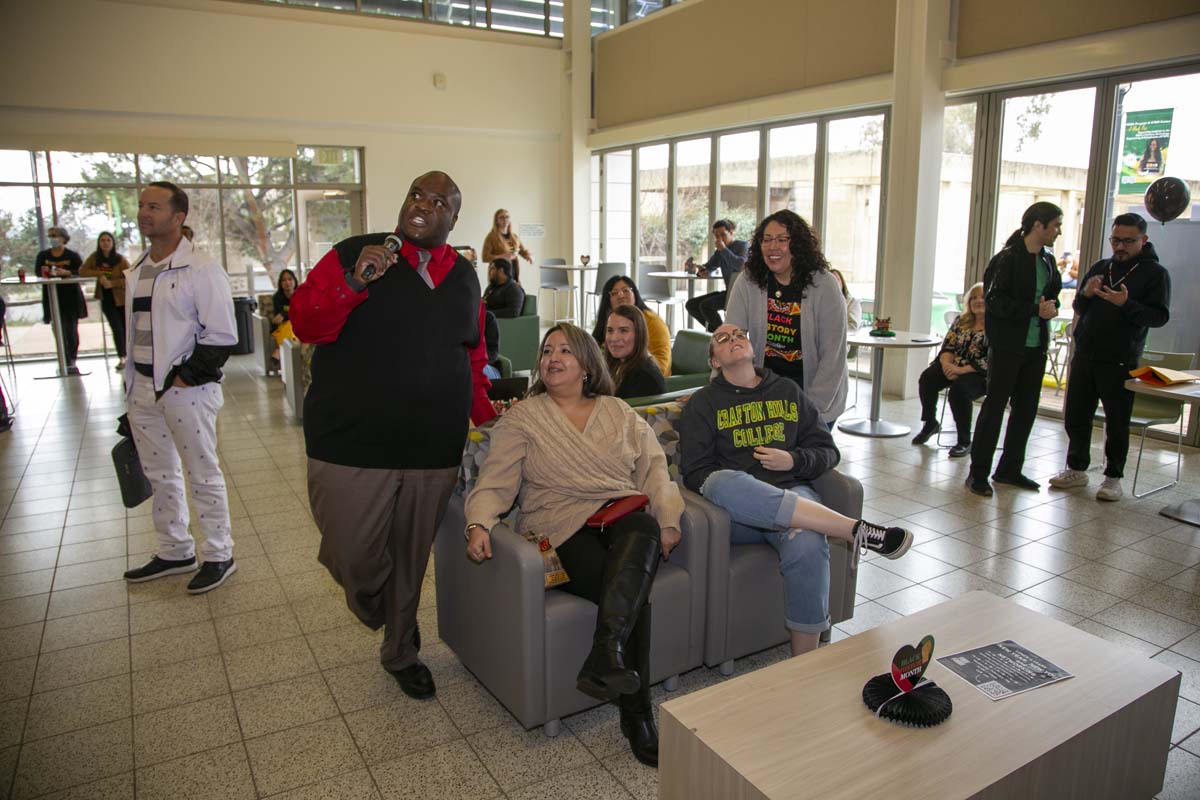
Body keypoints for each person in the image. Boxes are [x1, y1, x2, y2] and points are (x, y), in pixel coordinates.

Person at [291, 171, 497, 700]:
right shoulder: (355, 253)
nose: (423, 205)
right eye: (415, 195)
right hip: (351, 442)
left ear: (454, 218)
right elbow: (306, 324)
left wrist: (486, 416)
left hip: (433, 445)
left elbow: (472, 355)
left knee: (411, 555)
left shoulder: (466, 277)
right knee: (352, 555)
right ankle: (388, 612)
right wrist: (355, 282)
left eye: (439, 201)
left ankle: (401, 647)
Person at [464, 323, 683, 767]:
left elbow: (655, 471)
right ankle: (636, 714)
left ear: (587, 364)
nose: (553, 357)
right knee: (632, 596)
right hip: (557, 529)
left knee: (642, 526)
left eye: (565, 349)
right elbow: (495, 482)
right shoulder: (523, 418)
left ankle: (606, 656)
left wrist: (669, 518)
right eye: (547, 351)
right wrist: (478, 523)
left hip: (620, 516)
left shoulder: (619, 412)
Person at [679, 323, 911, 656]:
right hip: (738, 515)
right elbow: (695, 473)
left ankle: (806, 664)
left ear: (753, 349)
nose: (733, 340)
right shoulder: (703, 404)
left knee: (808, 542)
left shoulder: (787, 391)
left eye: (740, 335)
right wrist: (746, 482)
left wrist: (793, 460)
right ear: (714, 361)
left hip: (795, 498)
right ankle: (853, 530)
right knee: (721, 480)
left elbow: (828, 452)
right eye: (722, 339)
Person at [122, 182, 239, 594]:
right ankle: (174, 549)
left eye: (153, 206)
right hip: (141, 388)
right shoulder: (136, 270)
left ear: (178, 216)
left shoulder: (201, 269)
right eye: (140, 206)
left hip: (184, 391)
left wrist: (183, 377)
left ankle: (219, 553)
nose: (143, 213)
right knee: (160, 474)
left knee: (201, 472)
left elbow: (223, 336)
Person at [1048, 213, 1171, 502]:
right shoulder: (1101, 267)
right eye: (1116, 240)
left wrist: (1127, 304)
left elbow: (1159, 317)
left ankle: (1113, 476)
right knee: (1076, 415)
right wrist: (1088, 293)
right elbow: (1079, 305)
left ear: (1144, 240)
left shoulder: (1155, 274)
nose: (1121, 246)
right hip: (1086, 353)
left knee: (1116, 420)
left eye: (1128, 241)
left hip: (1120, 358)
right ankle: (1076, 468)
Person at [965, 201, 1063, 497]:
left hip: (1035, 347)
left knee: (1026, 410)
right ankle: (978, 473)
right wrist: (1035, 309)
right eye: (1055, 225)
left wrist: (1050, 307)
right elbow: (995, 303)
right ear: (1038, 225)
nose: (1058, 232)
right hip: (1008, 347)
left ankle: (1009, 468)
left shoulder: (1048, 259)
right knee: (994, 408)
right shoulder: (1007, 258)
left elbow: (1052, 294)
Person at [724, 209, 848, 429]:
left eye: (782, 240)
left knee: (804, 459)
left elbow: (833, 356)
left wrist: (811, 409)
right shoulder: (748, 281)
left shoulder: (824, 285)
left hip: (815, 393)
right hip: (766, 391)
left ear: (798, 245)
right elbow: (730, 337)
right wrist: (719, 389)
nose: (773, 247)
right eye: (767, 240)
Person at [911, 283, 988, 458]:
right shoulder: (961, 321)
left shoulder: (996, 326)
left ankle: (963, 440)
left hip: (979, 373)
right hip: (953, 365)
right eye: (974, 298)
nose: (978, 301)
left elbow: (991, 359)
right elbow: (948, 347)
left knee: (958, 391)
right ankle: (930, 423)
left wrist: (960, 370)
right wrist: (947, 365)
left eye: (982, 297)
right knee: (927, 378)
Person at [592, 275, 672, 376]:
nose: (621, 295)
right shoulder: (610, 319)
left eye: (625, 290)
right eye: (614, 293)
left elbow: (663, 365)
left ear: (635, 294)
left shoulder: (652, 321)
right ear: (608, 301)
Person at [35, 226, 87, 375]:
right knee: (58, 330)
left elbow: (80, 272)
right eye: (50, 235)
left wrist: (68, 273)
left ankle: (72, 360)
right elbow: (38, 272)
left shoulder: (72, 255)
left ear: (63, 238)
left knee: (71, 329)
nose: (52, 238)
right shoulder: (42, 255)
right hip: (52, 296)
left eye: (55, 235)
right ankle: (63, 359)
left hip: (70, 296)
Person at [683, 220, 748, 332]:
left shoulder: (743, 246)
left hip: (742, 295)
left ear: (731, 232)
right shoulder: (720, 252)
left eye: (723, 235)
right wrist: (700, 269)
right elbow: (710, 266)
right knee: (691, 304)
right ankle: (717, 333)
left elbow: (740, 265)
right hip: (729, 292)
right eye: (717, 236)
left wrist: (723, 250)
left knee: (706, 306)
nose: (720, 239)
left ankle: (723, 334)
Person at [80, 231, 130, 371]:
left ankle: (131, 356)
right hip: (106, 299)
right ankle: (122, 357)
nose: (105, 243)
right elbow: (83, 271)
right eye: (102, 240)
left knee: (126, 328)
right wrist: (99, 274)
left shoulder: (120, 260)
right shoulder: (95, 258)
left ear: (112, 243)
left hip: (121, 298)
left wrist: (113, 283)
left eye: (108, 240)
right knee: (116, 328)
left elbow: (130, 277)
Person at [605, 304, 666, 400]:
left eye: (623, 331)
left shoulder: (644, 377)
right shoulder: (617, 363)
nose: (614, 338)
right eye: (610, 330)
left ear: (639, 334)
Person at [481, 208, 532, 284]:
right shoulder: (491, 237)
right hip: (499, 276)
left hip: (513, 275)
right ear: (496, 221)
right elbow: (485, 257)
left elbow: (521, 251)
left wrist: (528, 255)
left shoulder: (513, 237)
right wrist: (502, 256)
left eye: (507, 217)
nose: (505, 219)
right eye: (501, 217)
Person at [269, 268, 298, 362]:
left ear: (294, 281)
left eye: (290, 279)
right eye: (284, 280)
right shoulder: (277, 298)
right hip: (281, 328)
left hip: (299, 325)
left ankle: (279, 350)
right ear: (280, 283)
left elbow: (300, 312)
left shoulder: (300, 295)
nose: (287, 282)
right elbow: (278, 319)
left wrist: (284, 314)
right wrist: (287, 315)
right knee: (289, 324)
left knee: (291, 324)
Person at [829, 268, 863, 332]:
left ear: (842, 283)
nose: (834, 283)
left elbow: (853, 327)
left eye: (837, 280)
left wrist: (832, 330)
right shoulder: (822, 303)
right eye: (831, 281)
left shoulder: (852, 302)